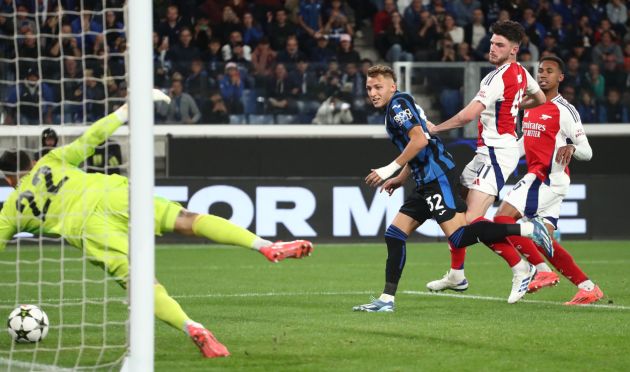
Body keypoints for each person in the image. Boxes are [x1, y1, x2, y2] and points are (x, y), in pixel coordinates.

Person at [0, 90, 314, 358]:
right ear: (31, 161)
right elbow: (92, 137)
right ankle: (266, 245)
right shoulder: (51, 160)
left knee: (143, 284)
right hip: (114, 196)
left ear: (9, 178)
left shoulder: (12, 208)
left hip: (90, 231)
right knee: (187, 220)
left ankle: (193, 327)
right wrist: (126, 110)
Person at [352, 65, 551, 312]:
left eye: (378, 87)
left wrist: (389, 169)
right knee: (394, 234)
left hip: (436, 177)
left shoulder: (397, 106)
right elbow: (422, 141)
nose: (373, 92)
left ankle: (529, 228)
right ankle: (387, 300)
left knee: (458, 236)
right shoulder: (399, 104)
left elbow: (420, 140)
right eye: (369, 87)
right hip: (425, 178)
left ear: (392, 87)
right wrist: (402, 177)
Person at [425, 20, 546, 292]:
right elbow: (539, 99)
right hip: (486, 153)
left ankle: (521, 267)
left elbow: (467, 116)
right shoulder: (522, 73)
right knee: (455, 215)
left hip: (496, 155)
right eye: (492, 42)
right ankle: (456, 275)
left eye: (499, 45)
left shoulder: (495, 78)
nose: (492, 48)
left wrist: (436, 128)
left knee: (468, 225)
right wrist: (514, 107)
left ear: (514, 49)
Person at [495, 56, 603, 305]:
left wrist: (572, 149)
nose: (543, 75)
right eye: (540, 70)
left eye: (549, 71)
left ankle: (541, 271)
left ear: (560, 77)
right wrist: (501, 158)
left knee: (502, 219)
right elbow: (526, 142)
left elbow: (587, 151)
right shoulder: (531, 104)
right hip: (543, 178)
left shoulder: (564, 110)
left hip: (546, 178)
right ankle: (588, 288)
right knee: (544, 242)